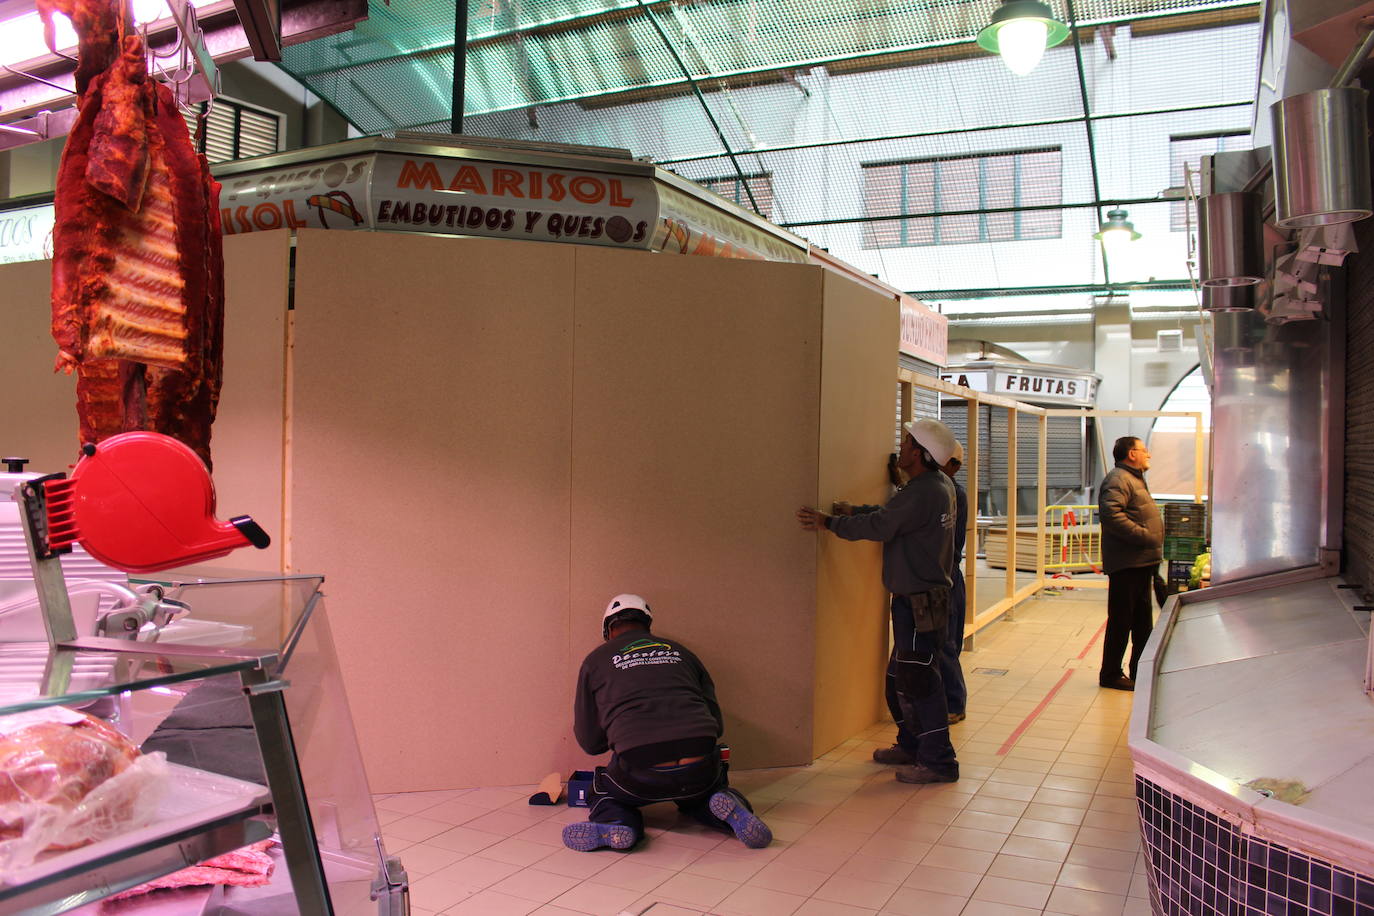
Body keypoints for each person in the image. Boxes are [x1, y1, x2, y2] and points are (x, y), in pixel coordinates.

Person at [797, 418, 959, 784]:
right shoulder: (935, 485)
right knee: (898, 678)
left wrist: (829, 523)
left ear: (919, 453)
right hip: (915, 603)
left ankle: (939, 762)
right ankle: (912, 745)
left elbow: (883, 527)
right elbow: (893, 518)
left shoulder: (925, 491)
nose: (900, 448)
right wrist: (854, 511)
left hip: (920, 605)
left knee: (920, 681)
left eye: (905, 443)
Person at [564, 594, 772, 852]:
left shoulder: (595, 661)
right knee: (701, 796)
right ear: (648, 624)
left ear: (607, 630)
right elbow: (716, 723)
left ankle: (618, 823)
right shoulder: (683, 652)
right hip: (699, 763)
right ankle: (726, 803)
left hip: (641, 767)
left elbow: (590, 742)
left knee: (604, 791)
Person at [1098, 436, 1164, 691]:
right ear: (1131, 454)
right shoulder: (1118, 479)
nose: (1148, 454)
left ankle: (1139, 671)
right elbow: (1111, 514)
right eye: (1143, 450)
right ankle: (1111, 673)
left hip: (1140, 563)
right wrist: (1144, 536)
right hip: (1127, 564)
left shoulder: (1133, 478)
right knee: (1121, 622)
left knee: (1141, 623)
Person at [939, 443, 968, 725]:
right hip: (949, 575)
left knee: (946, 642)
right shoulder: (947, 490)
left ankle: (955, 702)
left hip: (947, 576)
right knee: (946, 641)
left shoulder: (951, 493)